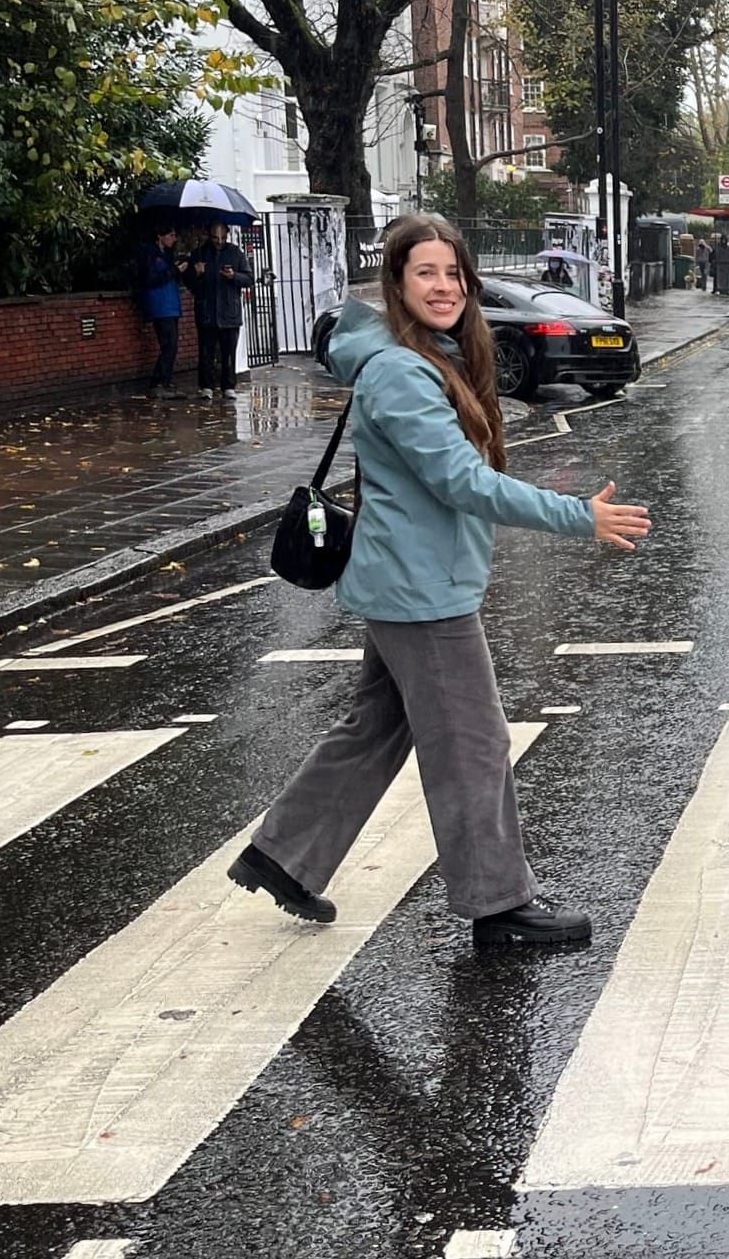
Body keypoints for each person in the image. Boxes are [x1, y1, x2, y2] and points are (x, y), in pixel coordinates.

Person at [227, 213, 654, 947]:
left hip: (410, 581)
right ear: (396, 283)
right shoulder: (399, 371)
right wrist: (576, 516)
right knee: (474, 744)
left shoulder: (428, 356)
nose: (444, 285)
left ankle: (284, 857)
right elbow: (462, 482)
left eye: (453, 273)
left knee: (374, 727)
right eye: (426, 271)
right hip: (420, 595)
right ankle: (498, 907)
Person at [186, 220, 254, 400]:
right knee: (206, 352)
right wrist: (197, 274)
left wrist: (234, 276)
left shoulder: (235, 253)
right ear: (209, 235)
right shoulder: (200, 253)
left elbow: (249, 278)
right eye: (216, 238)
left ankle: (228, 386)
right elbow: (190, 283)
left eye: (223, 237)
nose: (219, 241)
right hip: (207, 311)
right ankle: (206, 386)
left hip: (229, 311)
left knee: (228, 353)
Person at [135, 223, 185, 399]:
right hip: (159, 305)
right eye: (170, 235)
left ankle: (167, 382)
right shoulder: (150, 254)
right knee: (168, 345)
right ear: (160, 236)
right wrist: (173, 270)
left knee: (172, 346)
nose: (174, 239)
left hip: (170, 305)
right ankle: (158, 383)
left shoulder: (167, 255)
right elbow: (150, 278)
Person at [710, 231, 729, 297]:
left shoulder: (728, 248)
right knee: (718, 278)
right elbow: (713, 255)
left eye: (725, 240)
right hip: (719, 266)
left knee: (727, 278)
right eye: (723, 240)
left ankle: (726, 289)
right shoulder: (717, 248)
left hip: (726, 266)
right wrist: (714, 262)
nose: (724, 241)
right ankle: (718, 289)